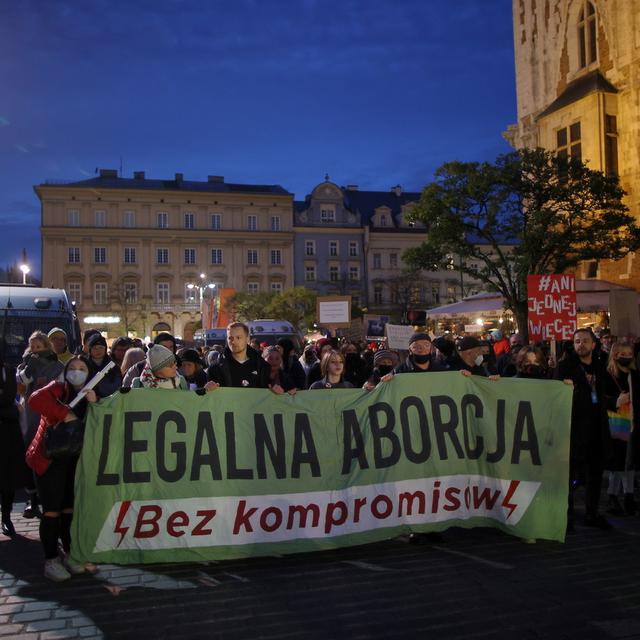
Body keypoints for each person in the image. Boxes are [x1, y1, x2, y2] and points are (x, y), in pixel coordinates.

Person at [26, 356, 97, 581]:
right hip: (49, 460)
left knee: (69, 510)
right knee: (51, 511)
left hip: (73, 461)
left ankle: (70, 554)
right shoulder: (57, 388)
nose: (77, 372)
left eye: (82, 368)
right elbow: (35, 400)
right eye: (72, 368)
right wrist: (64, 413)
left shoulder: (90, 394)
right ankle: (51, 560)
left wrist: (96, 402)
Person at [555, 328, 612, 530]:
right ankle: (566, 516)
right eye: (577, 341)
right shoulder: (565, 367)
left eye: (585, 341)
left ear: (593, 344)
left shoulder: (600, 366)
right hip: (574, 428)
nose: (581, 344)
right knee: (569, 474)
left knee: (594, 474)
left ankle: (592, 513)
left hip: (597, 428)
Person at [17, 331, 64, 519]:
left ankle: (48, 498)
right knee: (30, 450)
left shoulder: (56, 365)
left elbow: (60, 387)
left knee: (47, 450)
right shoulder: (25, 363)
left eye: (39, 347)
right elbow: (21, 382)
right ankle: (32, 498)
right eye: (33, 347)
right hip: (30, 412)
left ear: (46, 346)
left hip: (48, 412)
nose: (35, 350)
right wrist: (29, 369)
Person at [603, 342, 639, 516]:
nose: (626, 356)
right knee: (617, 463)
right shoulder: (609, 375)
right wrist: (616, 401)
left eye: (629, 353)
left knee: (630, 462)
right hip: (616, 424)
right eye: (622, 353)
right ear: (615, 355)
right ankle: (612, 495)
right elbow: (601, 398)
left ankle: (629, 496)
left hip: (632, 423)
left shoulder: (635, 375)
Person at [0, 338, 26, 536]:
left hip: (9, 431)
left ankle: (6, 515)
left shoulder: (9, 370)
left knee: (8, 478)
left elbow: (16, 396)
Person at [207, 322, 271, 389]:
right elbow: (211, 397)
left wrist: (276, 392)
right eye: (230, 338)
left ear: (247, 339)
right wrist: (207, 390)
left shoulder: (262, 366)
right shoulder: (215, 369)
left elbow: (267, 393)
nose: (234, 341)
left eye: (238, 337)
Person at [86, 334, 122, 398]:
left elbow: (118, 384)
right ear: (90, 350)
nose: (98, 350)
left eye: (101, 347)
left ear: (105, 349)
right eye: (95, 348)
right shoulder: (84, 365)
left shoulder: (113, 366)